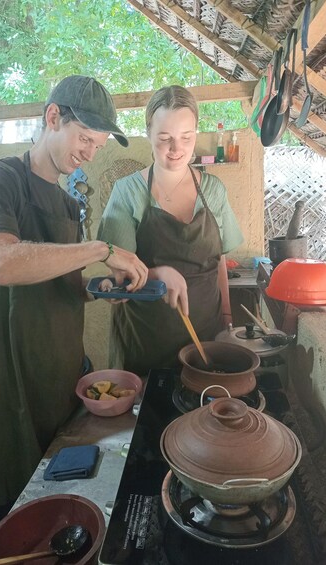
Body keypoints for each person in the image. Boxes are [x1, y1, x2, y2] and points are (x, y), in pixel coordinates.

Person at [0, 75, 148, 538]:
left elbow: (62, 285)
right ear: (52, 117)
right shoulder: (0, 178)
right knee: (6, 524)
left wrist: (101, 287)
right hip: (5, 381)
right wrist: (101, 249)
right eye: (85, 138)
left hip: (61, 381)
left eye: (98, 144)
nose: (90, 152)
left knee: (57, 512)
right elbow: (2, 262)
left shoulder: (69, 203)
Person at [98, 85, 243, 376]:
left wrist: (227, 319)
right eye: (165, 138)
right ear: (149, 133)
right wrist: (157, 275)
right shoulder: (128, 192)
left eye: (186, 137)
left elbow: (219, 264)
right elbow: (120, 274)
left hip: (205, 336)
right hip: (145, 340)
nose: (176, 149)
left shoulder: (213, 191)